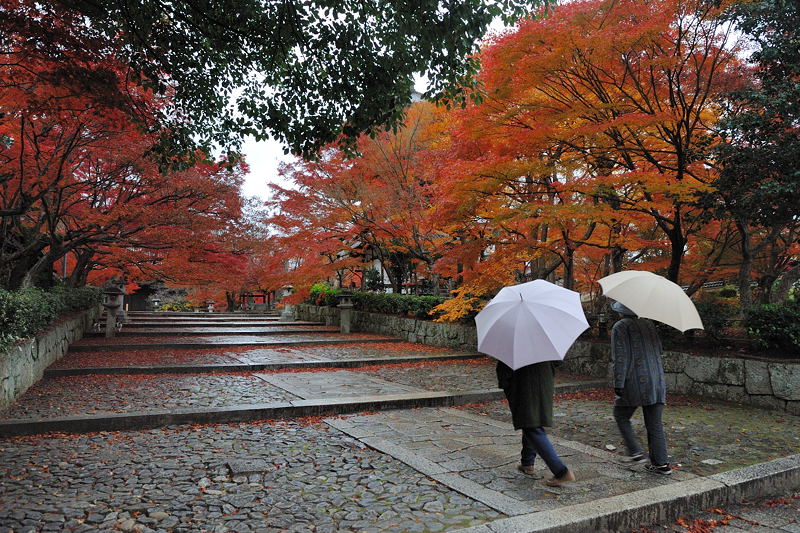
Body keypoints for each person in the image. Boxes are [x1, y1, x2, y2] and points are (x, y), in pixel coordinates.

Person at [610, 301, 672, 475]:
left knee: (621, 414)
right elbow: (659, 350)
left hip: (635, 381)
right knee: (655, 424)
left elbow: (621, 357)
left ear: (620, 311)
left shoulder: (620, 327)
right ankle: (661, 464)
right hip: (657, 380)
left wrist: (618, 383)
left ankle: (635, 452)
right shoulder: (648, 324)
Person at [496, 360, 576, 487]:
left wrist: (505, 383)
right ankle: (527, 462)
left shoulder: (514, 342)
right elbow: (557, 361)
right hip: (544, 380)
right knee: (531, 421)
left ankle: (561, 472)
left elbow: (504, 368)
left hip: (524, 383)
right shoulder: (543, 341)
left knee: (531, 426)